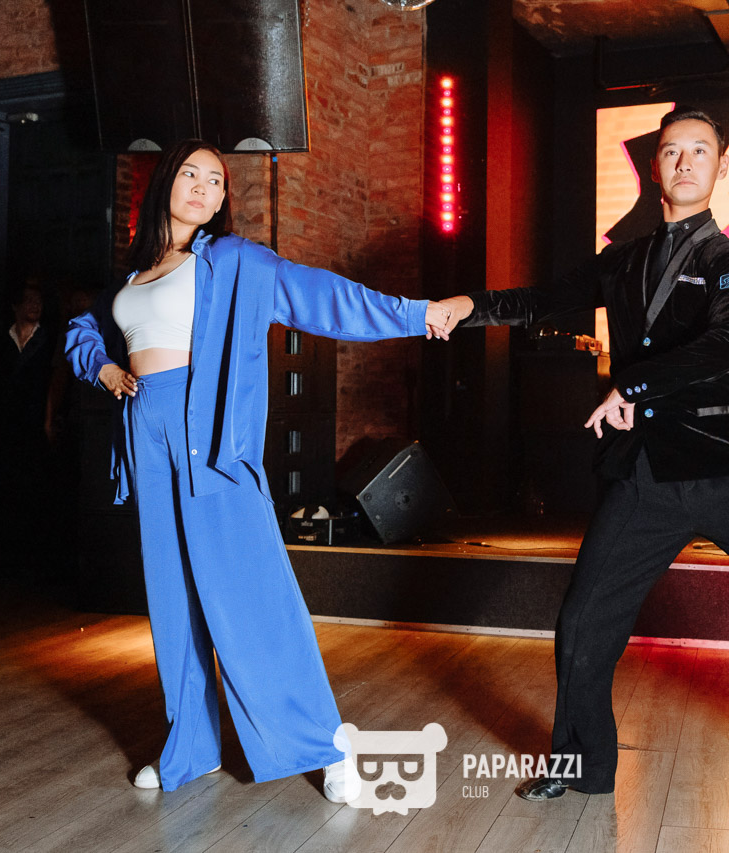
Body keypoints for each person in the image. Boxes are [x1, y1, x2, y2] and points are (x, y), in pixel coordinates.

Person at [432, 108, 729, 848]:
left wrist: (631, 387)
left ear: (721, 167)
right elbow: (540, 299)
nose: (685, 161)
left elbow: (725, 343)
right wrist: (470, 306)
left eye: (700, 151)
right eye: (671, 151)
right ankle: (582, 764)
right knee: (584, 623)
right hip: (648, 475)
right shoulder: (622, 260)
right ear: (654, 168)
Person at [65, 139, 451, 797]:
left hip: (207, 436)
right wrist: (102, 367)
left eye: (216, 180)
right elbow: (82, 329)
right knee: (173, 600)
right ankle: (191, 748)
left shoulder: (231, 260)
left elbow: (320, 295)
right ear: (164, 183)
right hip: (146, 436)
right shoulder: (132, 277)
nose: (203, 186)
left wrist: (414, 314)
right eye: (190, 173)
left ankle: (324, 747)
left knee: (251, 594)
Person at [0, 280, 56, 575]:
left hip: (36, 426)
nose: (35, 306)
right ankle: (2, 561)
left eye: (39, 301)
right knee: (1, 490)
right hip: (2, 426)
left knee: (35, 491)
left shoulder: (50, 339)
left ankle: (34, 561)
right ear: (15, 306)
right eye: (29, 300)